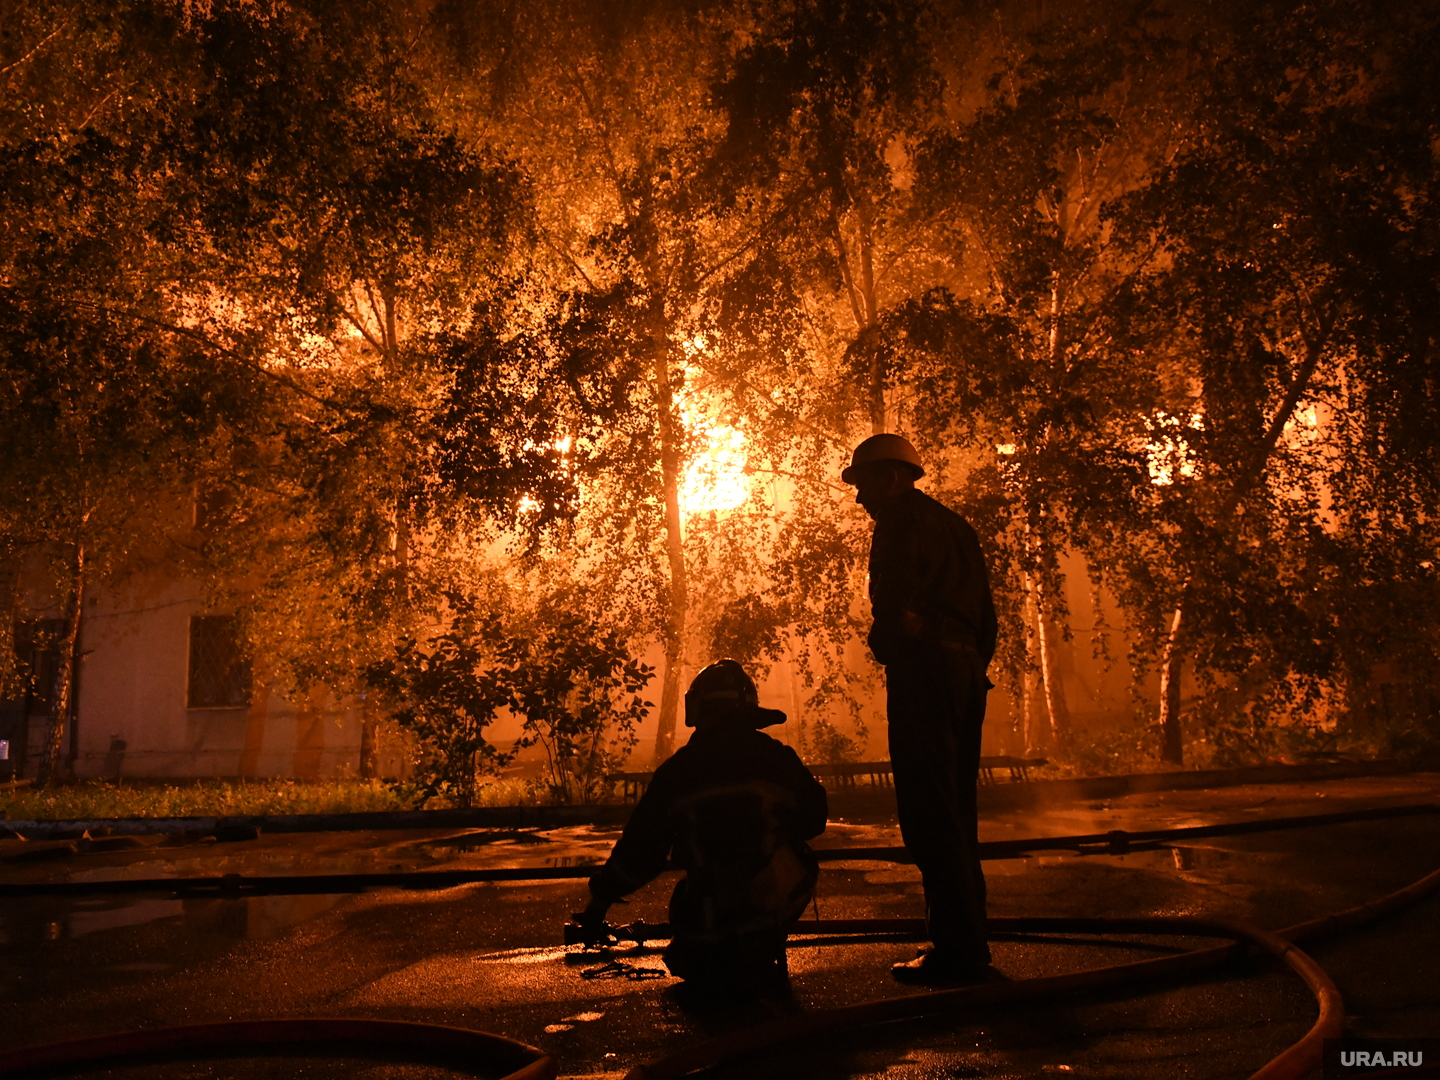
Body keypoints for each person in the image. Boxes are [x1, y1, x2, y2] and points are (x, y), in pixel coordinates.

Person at [841, 433, 1001, 985]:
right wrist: (971, 667)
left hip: (925, 671)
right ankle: (969, 940)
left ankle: (956, 951)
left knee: (929, 811)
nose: (859, 498)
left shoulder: (899, 523)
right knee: (957, 809)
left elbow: (892, 598)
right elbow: (987, 616)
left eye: (863, 485)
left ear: (890, 478)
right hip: (965, 672)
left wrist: (891, 644)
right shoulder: (957, 527)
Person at [574, 659, 828, 991]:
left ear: (698, 707)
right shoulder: (778, 758)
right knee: (800, 859)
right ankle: (765, 938)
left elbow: (641, 849)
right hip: (766, 912)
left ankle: (711, 952)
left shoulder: (677, 772)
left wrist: (600, 902)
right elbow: (814, 818)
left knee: (692, 955)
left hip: (704, 919)